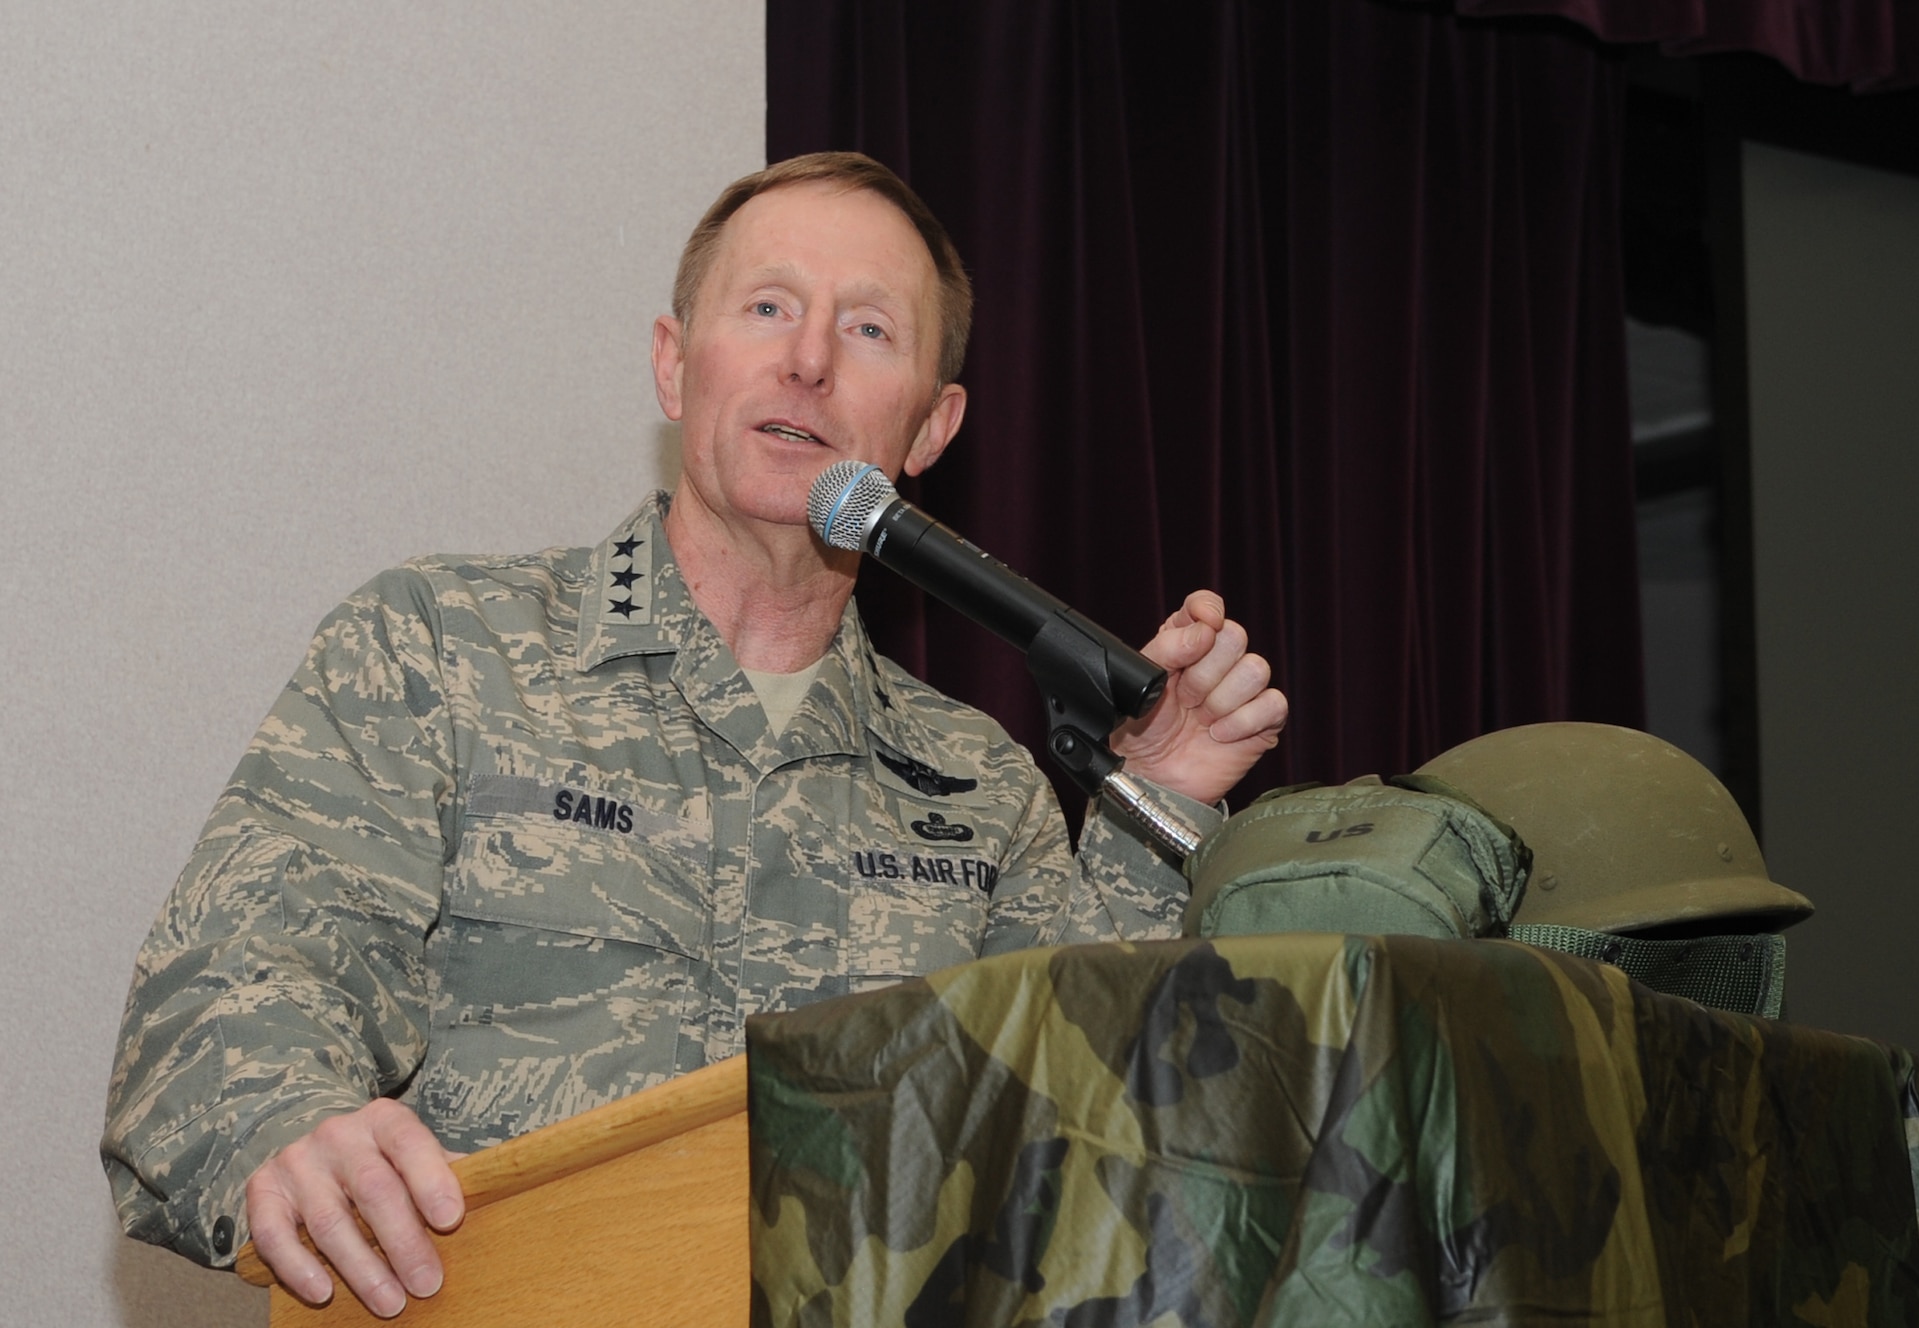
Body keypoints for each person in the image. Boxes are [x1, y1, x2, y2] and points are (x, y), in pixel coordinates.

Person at [102, 152, 1287, 1317]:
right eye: (767, 307)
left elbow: (1086, 1146)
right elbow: (232, 986)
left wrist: (1161, 795)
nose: (808, 360)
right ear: (674, 365)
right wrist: (290, 1122)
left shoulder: (980, 785)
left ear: (930, 427)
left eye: (868, 329)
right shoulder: (441, 649)